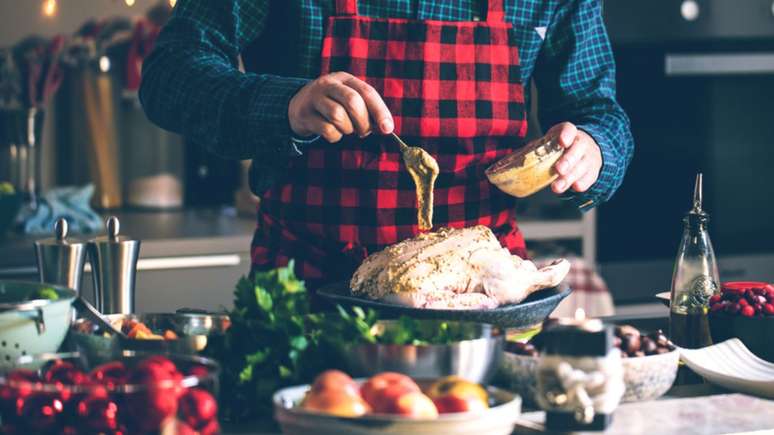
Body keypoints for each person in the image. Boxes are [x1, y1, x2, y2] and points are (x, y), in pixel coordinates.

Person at [140, 0, 634, 291]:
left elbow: (600, 113)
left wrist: (593, 148)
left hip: (479, 300)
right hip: (311, 292)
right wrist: (287, 106)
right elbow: (168, 76)